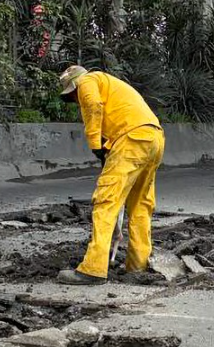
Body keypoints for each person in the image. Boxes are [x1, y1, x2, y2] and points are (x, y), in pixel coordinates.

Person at [55, 66, 165, 285]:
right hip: (154, 137)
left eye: (72, 96)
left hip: (131, 138)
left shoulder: (86, 81)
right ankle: (137, 265)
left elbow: (93, 106)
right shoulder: (110, 84)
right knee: (141, 205)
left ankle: (93, 268)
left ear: (74, 86)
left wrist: (96, 145)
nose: (76, 101)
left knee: (106, 201)